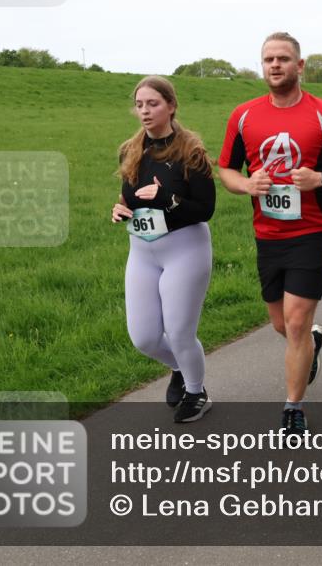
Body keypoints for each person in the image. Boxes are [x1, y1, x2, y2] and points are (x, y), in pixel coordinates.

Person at [217, 32, 322, 435]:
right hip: (267, 234)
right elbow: (227, 170)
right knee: (282, 327)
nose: (274, 65)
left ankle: (293, 407)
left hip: (313, 230)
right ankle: (316, 323)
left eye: (283, 58)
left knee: (297, 323)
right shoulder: (244, 116)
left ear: (300, 66)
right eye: (268, 59)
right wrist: (246, 185)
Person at [112, 75, 216, 423]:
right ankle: (179, 368)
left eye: (152, 104)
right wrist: (119, 209)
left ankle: (196, 391)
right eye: (139, 104)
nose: (144, 111)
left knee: (179, 331)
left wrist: (167, 199)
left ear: (171, 106)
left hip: (185, 248)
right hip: (142, 251)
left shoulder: (192, 152)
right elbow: (128, 198)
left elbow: (205, 209)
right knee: (143, 338)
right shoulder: (130, 149)